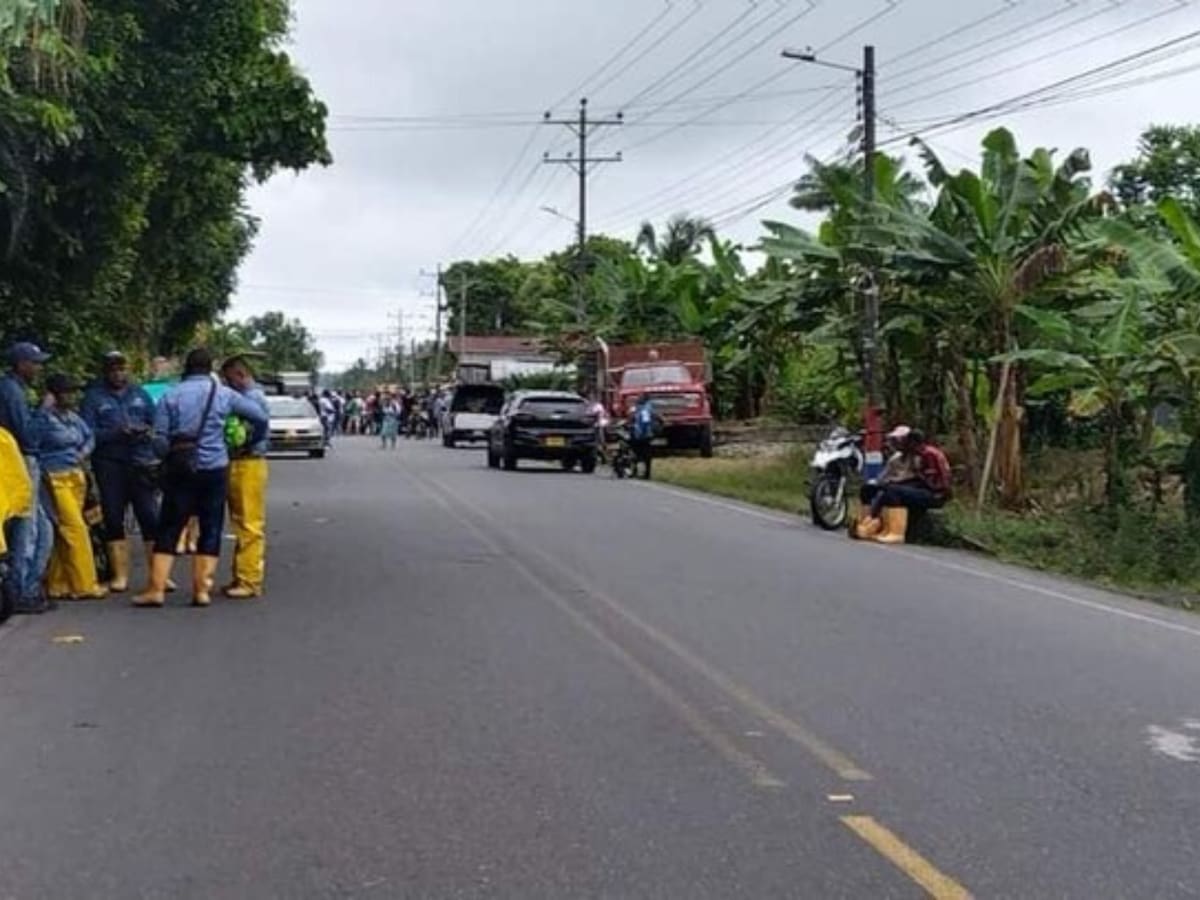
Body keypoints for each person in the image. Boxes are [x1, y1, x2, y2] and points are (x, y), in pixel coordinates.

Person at [133, 348, 268, 608]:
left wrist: (167, 455)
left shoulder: (171, 396)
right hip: (216, 467)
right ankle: (201, 590)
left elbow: (159, 439)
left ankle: (156, 589)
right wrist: (251, 441)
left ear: (187, 367)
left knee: (170, 525)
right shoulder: (224, 394)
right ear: (209, 369)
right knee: (211, 526)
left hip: (180, 469)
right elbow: (260, 417)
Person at [80, 351, 161, 593]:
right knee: (113, 517)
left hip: (140, 462)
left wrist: (145, 431)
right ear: (105, 372)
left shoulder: (140, 394)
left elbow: (156, 423)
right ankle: (120, 575)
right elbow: (87, 433)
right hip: (109, 464)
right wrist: (116, 432)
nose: (118, 373)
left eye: (121, 368)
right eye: (113, 369)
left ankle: (158, 575)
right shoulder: (93, 398)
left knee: (149, 516)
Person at [33, 374, 107, 600]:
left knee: (65, 530)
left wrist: (81, 453)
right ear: (54, 395)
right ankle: (85, 584)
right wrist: (43, 410)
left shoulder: (73, 418)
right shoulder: (43, 419)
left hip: (76, 475)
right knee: (75, 529)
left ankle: (59, 582)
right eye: (67, 392)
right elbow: (31, 438)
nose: (72, 396)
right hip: (55, 476)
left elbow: (89, 437)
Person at [0, 342, 54, 614]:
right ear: (21, 364)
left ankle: (29, 587)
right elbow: (27, 434)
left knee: (43, 528)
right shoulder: (11, 391)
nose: (38, 367)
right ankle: (19, 591)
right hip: (20, 459)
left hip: (25, 459)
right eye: (34, 362)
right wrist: (44, 410)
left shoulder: (16, 390)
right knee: (28, 528)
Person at [219, 356, 271, 599]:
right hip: (241, 462)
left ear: (240, 376)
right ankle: (241, 575)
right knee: (240, 522)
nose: (226, 385)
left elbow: (259, 424)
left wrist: (248, 443)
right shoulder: (249, 397)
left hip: (249, 462)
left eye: (228, 380)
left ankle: (250, 580)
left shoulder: (251, 399)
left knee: (250, 523)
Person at [854, 426, 951, 544]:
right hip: (925, 489)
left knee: (893, 492)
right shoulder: (913, 455)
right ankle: (872, 524)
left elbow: (931, 482)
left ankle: (895, 532)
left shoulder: (927, 454)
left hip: (935, 494)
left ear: (914, 443)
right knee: (884, 490)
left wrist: (901, 484)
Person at [629, 394, 658, 480]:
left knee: (639, 453)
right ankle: (643, 472)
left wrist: (642, 433)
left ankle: (643, 473)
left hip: (642, 435)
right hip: (645, 434)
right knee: (644, 455)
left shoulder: (644, 409)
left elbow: (645, 422)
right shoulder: (646, 408)